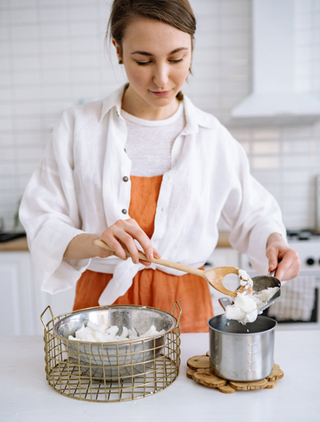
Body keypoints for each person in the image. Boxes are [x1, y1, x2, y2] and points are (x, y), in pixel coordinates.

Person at [19, 0, 300, 333]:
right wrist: (97, 241)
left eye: (177, 58)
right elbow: (43, 220)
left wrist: (273, 242)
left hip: (186, 311)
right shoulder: (79, 127)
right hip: (103, 314)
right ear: (118, 49)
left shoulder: (213, 138)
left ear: (192, 49)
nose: (162, 78)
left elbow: (253, 214)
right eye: (143, 60)